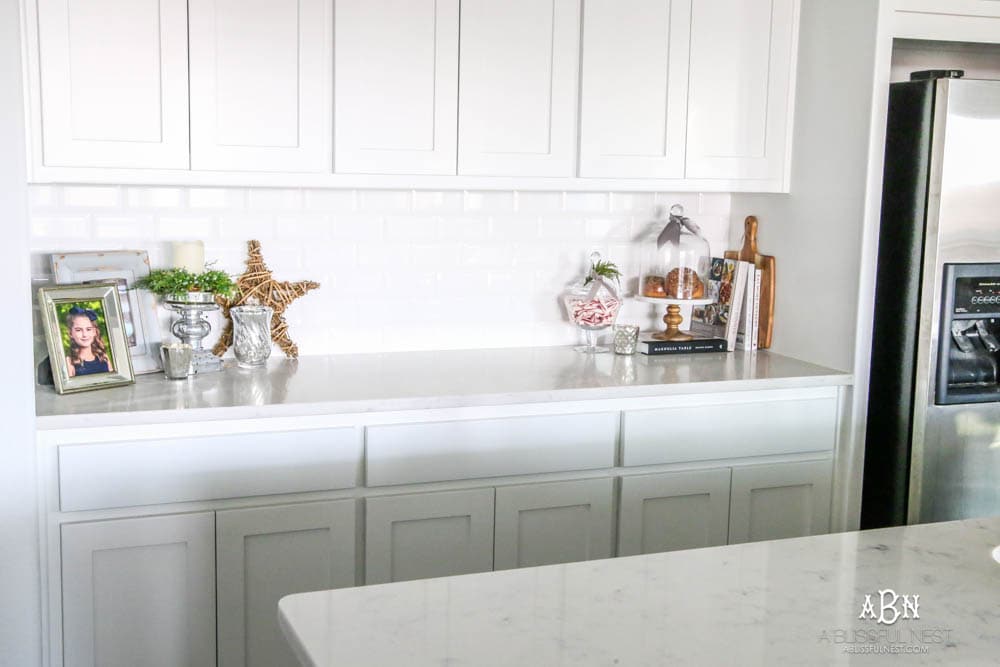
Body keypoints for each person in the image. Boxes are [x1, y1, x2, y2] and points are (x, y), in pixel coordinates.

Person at [65, 306, 113, 377]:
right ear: (70, 333)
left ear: (94, 332)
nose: (85, 334)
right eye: (78, 330)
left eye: (88, 329)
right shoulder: (69, 362)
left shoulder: (103, 357)